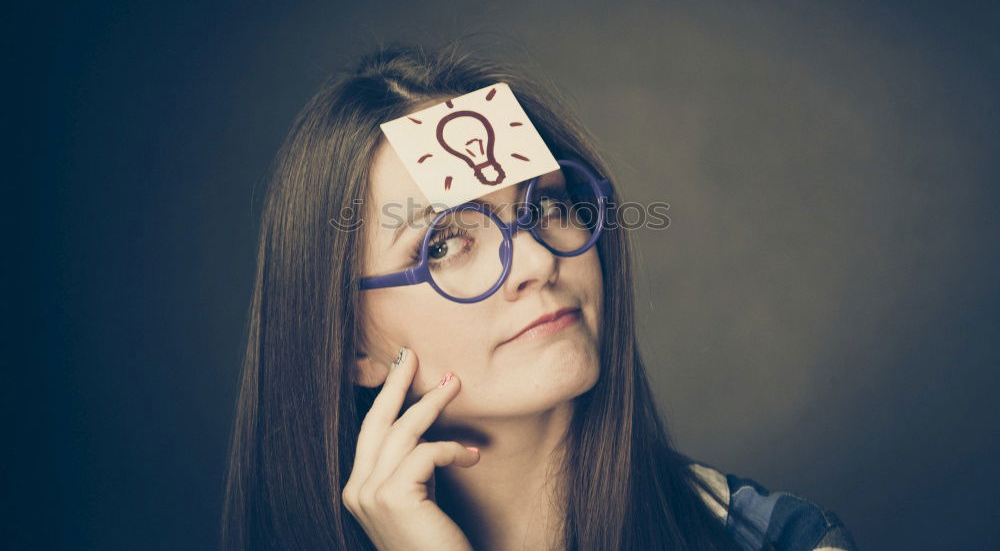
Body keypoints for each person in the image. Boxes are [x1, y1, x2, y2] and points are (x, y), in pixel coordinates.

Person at [221, 41, 858, 550]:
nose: (536, 258)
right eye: (443, 243)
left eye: (547, 205)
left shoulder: (777, 540)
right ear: (350, 344)